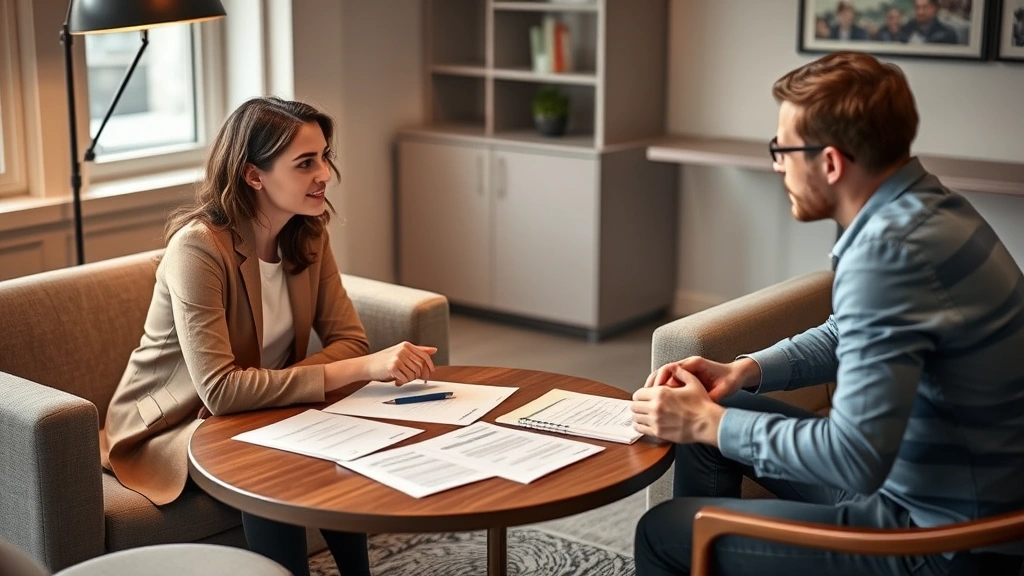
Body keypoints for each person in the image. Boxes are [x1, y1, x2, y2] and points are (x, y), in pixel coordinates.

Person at [631, 51, 1024, 576]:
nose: (776, 165)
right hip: (932, 493)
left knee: (662, 532)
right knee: (707, 436)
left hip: (940, 541)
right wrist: (743, 372)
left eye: (783, 150)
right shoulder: (931, 208)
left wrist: (709, 421)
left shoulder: (890, 254)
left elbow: (856, 457)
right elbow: (852, 332)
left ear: (831, 163)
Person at [101, 96, 438, 576]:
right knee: (266, 452)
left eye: (325, 156)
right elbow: (219, 392)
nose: (324, 173)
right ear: (253, 175)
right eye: (305, 163)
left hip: (251, 409)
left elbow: (349, 340)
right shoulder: (197, 249)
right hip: (170, 426)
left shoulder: (308, 233)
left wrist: (265, 387)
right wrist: (359, 371)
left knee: (334, 429)